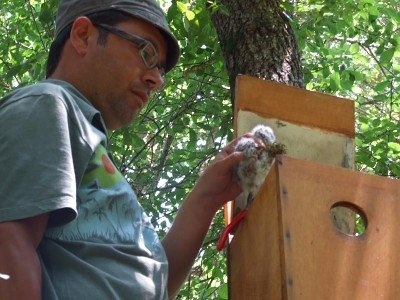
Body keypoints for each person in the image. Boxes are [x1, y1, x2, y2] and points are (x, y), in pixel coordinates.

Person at [0, 0, 248, 299]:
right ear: (83, 36)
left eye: (160, 69)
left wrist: (209, 196)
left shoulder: (86, 139)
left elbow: (157, 285)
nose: (155, 80)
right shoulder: (46, 104)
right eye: (147, 52)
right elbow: (9, 242)